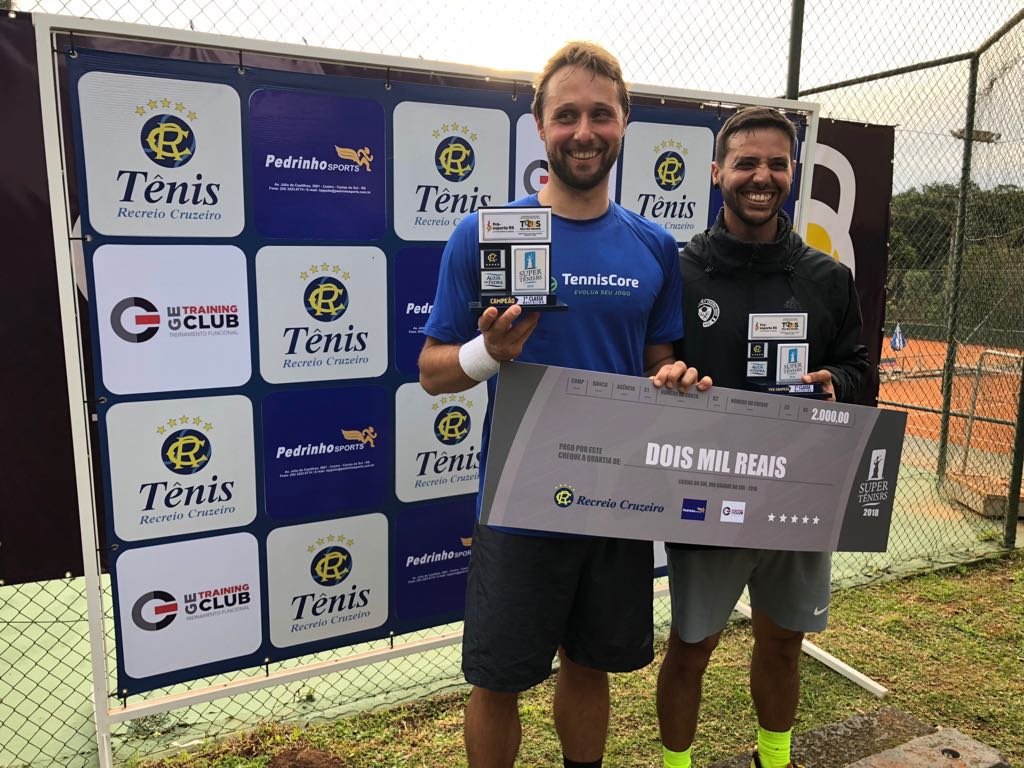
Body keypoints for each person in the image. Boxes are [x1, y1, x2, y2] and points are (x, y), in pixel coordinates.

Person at [419, 41, 707, 768]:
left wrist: (673, 381)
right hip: (518, 500)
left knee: (589, 665)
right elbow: (431, 373)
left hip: (615, 498)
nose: (585, 131)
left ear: (625, 122)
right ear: (540, 126)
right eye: (568, 114)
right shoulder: (485, 235)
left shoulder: (653, 246)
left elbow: (656, 365)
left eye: (600, 115)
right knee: (498, 680)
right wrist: (491, 354)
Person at [654, 107, 870, 768]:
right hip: (705, 494)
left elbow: (861, 369)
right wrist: (669, 378)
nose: (761, 177)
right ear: (717, 172)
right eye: (747, 163)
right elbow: (651, 373)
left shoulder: (827, 278)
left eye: (776, 164)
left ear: (793, 173)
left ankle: (773, 760)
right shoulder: (680, 270)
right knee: (691, 648)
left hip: (797, 492)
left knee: (784, 643)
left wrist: (836, 379)